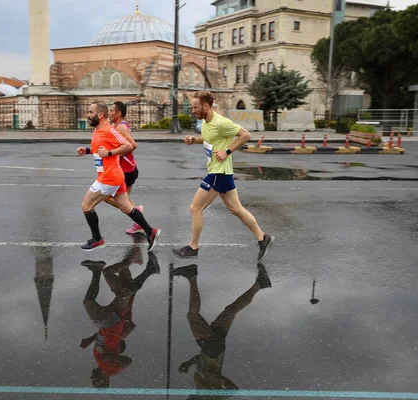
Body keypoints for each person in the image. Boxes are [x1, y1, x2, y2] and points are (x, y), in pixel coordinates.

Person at [172, 91, 273, 261]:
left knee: (195, 208)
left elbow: (245, 135)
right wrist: (194, 140)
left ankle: (193, 247)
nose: (193, 111)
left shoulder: (221, 122)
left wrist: (227, 151)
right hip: (221, 173)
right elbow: (209, 138)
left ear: (205, 106)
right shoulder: (206, 121)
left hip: (218, 172)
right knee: (236, 209)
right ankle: (263, 239)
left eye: (196, 108)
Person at [172, 262, 271, 399]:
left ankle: (260, 284)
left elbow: (202, 362)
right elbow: (233, 390)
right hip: (210, 348)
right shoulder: (210, 397)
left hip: (214, 350)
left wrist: (189, 363)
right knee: (193, 316)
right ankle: (191, 276)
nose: (187, 397)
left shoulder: (201, 389)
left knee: (230, 311)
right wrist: (218, 379)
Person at [76, 101, 160, 252]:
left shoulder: (110, 130)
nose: (87, 115)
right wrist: (87, 150)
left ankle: (97, 239)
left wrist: (109, 153)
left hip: (109, 178)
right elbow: (100, 149)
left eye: (90, 112)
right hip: (113, 176)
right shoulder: (97, 130)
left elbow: (128, 146)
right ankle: (151, 232)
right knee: (126, 207)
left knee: (86, 206)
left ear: (100, 115)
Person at [80, 247, 160, 388]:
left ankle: (134, 257)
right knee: (123, 291)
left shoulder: (101, 364)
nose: (92, 377)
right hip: (110, 325)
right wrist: (112, 357)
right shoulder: (110, 370)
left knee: (125, 289)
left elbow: (102, 340)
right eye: (95, 381)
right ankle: (100, 270)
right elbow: (127, 361)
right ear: (104, 381)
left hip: (107, 326)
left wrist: (90, 339)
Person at [103, 101, 145, 235]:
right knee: (124, 201)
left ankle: (137, 212)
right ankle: (138, 220)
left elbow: (133, 145)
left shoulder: (121, 128)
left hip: (126, 170)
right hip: (129, 169)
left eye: (111, 110)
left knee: (108, 198)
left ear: (118, 113)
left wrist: (114, 154)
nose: (109, 113)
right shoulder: (119, 126)